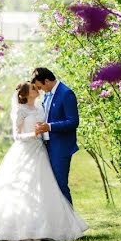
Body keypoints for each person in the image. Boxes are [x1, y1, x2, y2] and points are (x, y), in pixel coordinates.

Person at [0, 81, 88, 241]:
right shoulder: (20, 111)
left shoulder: (40, 108)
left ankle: (46, 229)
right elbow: (16, 135)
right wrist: (32, 135)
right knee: (21, 187)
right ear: (27, 94)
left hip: (40, 152)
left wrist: (42, 134)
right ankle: (16, 230)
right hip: (25, 151)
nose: (37, 89)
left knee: (44, 189)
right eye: (34, 88)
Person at [30, 67, 79, 204]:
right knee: (50, 186)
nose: (40, 90)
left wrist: (50, 127)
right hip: (47, 145)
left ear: (46, 81)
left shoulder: (66, 93)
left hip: (61, 147)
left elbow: (73, 121)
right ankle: (58, 221)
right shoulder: (48, 94)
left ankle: (70, 223)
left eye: (40, 86)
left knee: (60, 184)